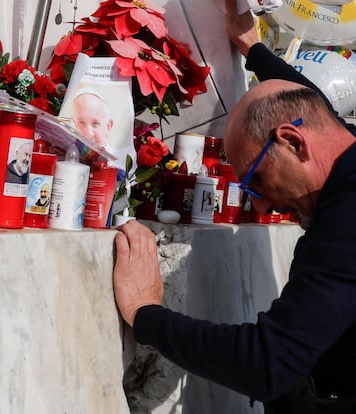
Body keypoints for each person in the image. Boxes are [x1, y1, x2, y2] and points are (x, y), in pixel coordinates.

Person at [112, 2, 356, 413]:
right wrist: (254, 50)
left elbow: (267, 362)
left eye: (255, 181)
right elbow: (311, 107)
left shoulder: (349, 218)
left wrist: (145, 313)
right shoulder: (341, 148)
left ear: (293, 143)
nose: (260, 206)